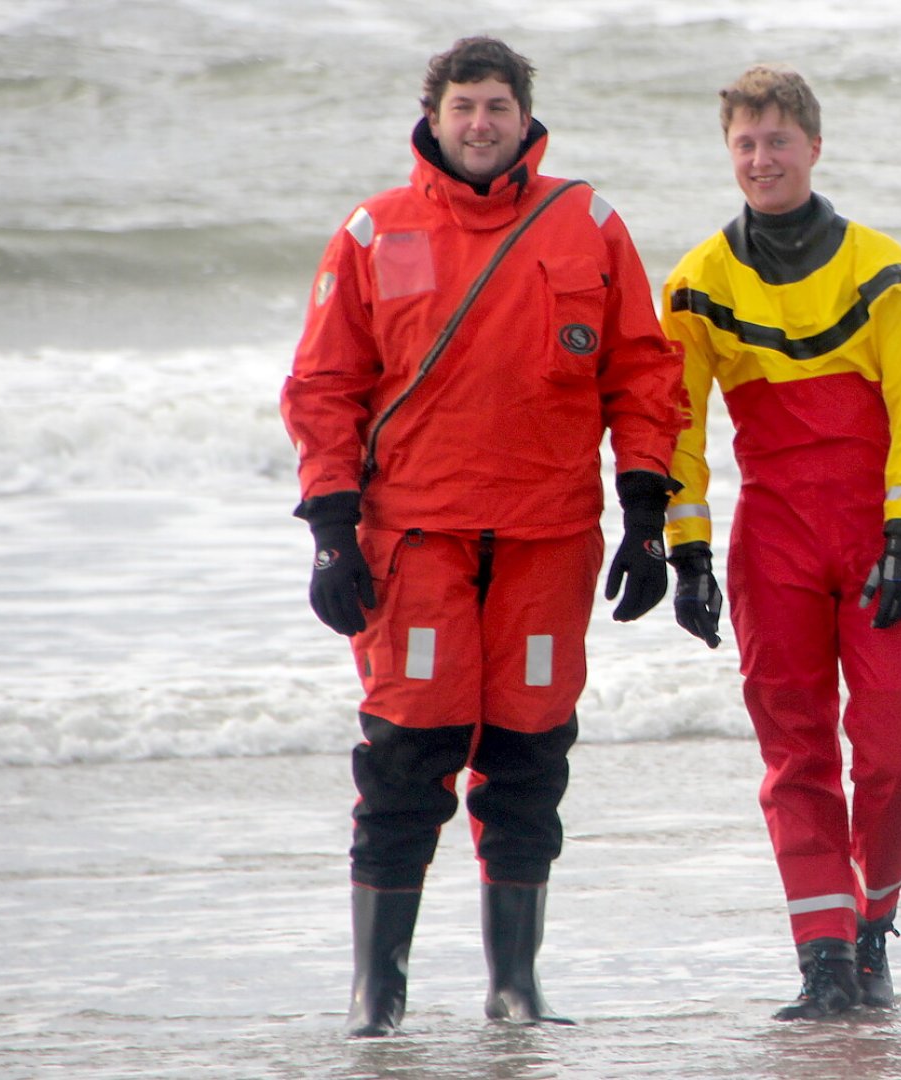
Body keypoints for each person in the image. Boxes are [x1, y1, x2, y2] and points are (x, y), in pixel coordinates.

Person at [280, 36, 684, 1037]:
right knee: (407, 759)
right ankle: (379, 995)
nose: (480, 123)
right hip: (416, 539)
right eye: (464, 106)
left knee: (530, 758)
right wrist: (331, 530)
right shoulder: (376, 230)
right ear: (435, 113)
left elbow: (643, 375)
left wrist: (647, 516)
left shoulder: (586, 224)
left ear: (524, 116)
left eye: (497, 106)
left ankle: (515, 989)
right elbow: (323, 389)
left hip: (550, 539)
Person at [659, 64, 901, 1020]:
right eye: (744, 142)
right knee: (796, 757)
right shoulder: (697, 282)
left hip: (878, 539)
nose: (760, 157)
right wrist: (686, 552)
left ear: (814, 148)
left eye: (777, 140)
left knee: (899, 756)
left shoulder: (882, 267)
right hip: (769, 536)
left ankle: (873, 922)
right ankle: (825, 960)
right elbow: (677, 430)